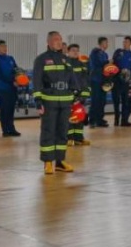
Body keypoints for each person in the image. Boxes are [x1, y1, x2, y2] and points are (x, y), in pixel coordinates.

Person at [33, 31, 77, 174]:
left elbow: (72, 79)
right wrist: (38, 100)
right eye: (56, 39)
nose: (59, 42)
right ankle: (47, 162)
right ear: (49, 42)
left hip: (65, 101)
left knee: (62, 132)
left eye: (60, 39)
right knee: (48, 131)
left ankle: (59, 161)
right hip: (49, 101)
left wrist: (77, 94)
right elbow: (37, 81)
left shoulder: (66, 59)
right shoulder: (41, 59)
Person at [0, 40, 20, 137]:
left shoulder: (11, 58)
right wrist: (12, 81)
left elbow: (16, 70)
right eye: (2, 46)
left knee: (11, 110)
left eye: (5, 46)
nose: (4, 48)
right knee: (4, 110)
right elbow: (0, 75)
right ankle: (5, 130)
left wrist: (18, 79)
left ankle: (12, 129)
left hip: (13, 88)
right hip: (4, 89)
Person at [67, 43, 90, 146]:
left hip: (80, 96)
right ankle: (69, 138)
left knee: (80, 117)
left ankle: (79, 138)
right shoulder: (65, 64)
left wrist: (84, 95)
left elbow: (85, 80)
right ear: (68, 52)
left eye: (77, 50)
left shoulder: (82, 65)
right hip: (69, 95)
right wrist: (71, 94)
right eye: (73, 50)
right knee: (70, 117)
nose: (75, 52)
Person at [112, 36, 131, 127]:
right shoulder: (118, 52)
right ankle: (116, 120)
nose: (124, 43)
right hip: (117, 80)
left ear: (130, 43)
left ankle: (124, 120)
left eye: (126, 42)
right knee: (116, 101)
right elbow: (112, 64)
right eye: (124, 42)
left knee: (125, 101)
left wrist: (130, 77)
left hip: (126, 82)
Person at [88, 36, 110, 128]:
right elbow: (99, 63)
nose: (107, 44)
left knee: (102, 100)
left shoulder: (105, 54)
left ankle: (100, 119)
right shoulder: (95, 52)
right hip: (96, 79)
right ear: (102, 43)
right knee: (95, 100)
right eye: (106, 42)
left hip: (104, 80)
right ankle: (92, 120)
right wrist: (108, 62)